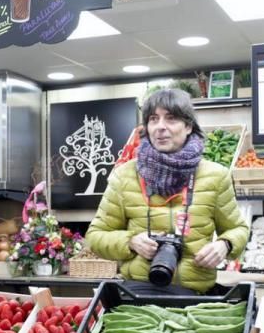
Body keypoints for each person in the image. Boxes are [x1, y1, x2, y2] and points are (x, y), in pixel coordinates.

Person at [87, 89, 249, 295]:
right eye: (153, 119)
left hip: (195, 297)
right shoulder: (124, 176)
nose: (160, 127)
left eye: (171, 119)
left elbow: (239, 229)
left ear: (188, 126)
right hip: (138, 295)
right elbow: (95, 236)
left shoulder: (216, 176)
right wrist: (131, 241)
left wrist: (225, 245)